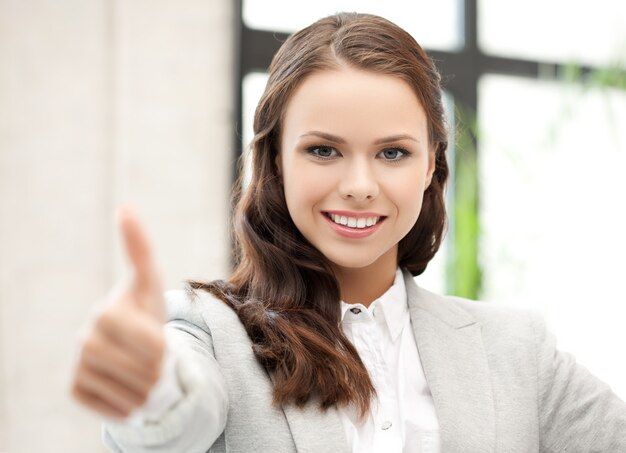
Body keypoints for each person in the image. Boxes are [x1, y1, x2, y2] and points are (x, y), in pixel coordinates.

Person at [69, 12, 626, 453]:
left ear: (431, 164)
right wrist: (150, 386)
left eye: (392, 152)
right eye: (324, 150)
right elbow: (173, 422)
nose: (359, 185)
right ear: (277, 162)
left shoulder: (517, 350)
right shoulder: (207, 333)